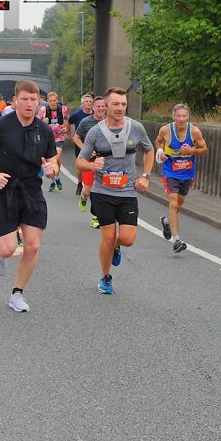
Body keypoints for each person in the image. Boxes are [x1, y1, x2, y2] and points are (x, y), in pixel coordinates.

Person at [0, 79, 57, 313]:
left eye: (33, 99)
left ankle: (17, 294)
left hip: (31, 190)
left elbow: (52, 163)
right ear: (15, 101)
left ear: (38, 101)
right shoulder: (1, 126)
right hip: (4, 188)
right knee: (9, 248)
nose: (29, 104)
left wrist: (53, 170)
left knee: (32, 246)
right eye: (25, 99)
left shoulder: (45, 130)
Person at [75, 87, 154, 295]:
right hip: (103, 192)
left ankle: (116, 248)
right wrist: (93, 166)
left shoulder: (136, 128)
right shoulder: (95, 131)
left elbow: (149, 149)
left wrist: (146, 176)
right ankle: (105, 277)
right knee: (108, 237)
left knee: (127, 239)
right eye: (116, 104)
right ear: (106, 106)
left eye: (123, 104)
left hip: (127, 192)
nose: (120, 108)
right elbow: (80, 161)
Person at [154, 103, 208, 252]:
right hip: (170, 171)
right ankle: (176, 240)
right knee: (173, 202)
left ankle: (166, 220)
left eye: (184, 116)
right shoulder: (166, 130)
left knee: (179, 204)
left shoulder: (195, 132)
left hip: (187, 173)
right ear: (173, 116)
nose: (181, 119)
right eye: (178, 116)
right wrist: (160, 151)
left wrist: (192, 150)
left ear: (188, 117)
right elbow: (158, 141)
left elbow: (204, 149)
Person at [73, 95, 108, 228]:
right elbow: (76, 138)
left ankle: (96, 217)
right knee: (88, 190)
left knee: (99, 191)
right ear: (93, 107)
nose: (100, 108)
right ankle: (83, 197)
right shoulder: (86, 122)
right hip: (89, 162)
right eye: (98, 106)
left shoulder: (109, 122)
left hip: (105, 163)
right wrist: (86, 150)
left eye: (103, 106)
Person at [37, 92, 69, 192]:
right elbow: (36, 123)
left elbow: (68, 119)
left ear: (57, 100)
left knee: (57, 159)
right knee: (50, 162)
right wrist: (43, 122)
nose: (52, 103)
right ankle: (54, 179)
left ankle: (55, 178)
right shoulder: (43, 110)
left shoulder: (63, 109)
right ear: (47, 101)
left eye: (54, 100)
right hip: (47, 138)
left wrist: (66, 128)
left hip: (59, 137)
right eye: (50, 101)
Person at [66, 93, 94, 196]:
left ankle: (92, 185)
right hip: (80, 143)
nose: (89, 103)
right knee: (80, 165)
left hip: (94, 144)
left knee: (94, 165)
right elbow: (68, 124)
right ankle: (79, 183)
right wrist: (70, 137)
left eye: (90, 102)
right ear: (82, 104)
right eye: (86, 101)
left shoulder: (96, 114)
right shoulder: (77, 115)